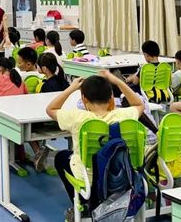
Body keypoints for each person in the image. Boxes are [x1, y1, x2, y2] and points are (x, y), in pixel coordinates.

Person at [46, 71, 144, 217]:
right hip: (121, 175)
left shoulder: (77, 117)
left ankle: (83, 204)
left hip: (88, 178)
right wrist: (117, 81)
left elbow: (50, 109)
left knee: (61, 157)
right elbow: (139, 104)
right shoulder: (124, 115)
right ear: (111, 97)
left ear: (84, 98)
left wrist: (71, 88)